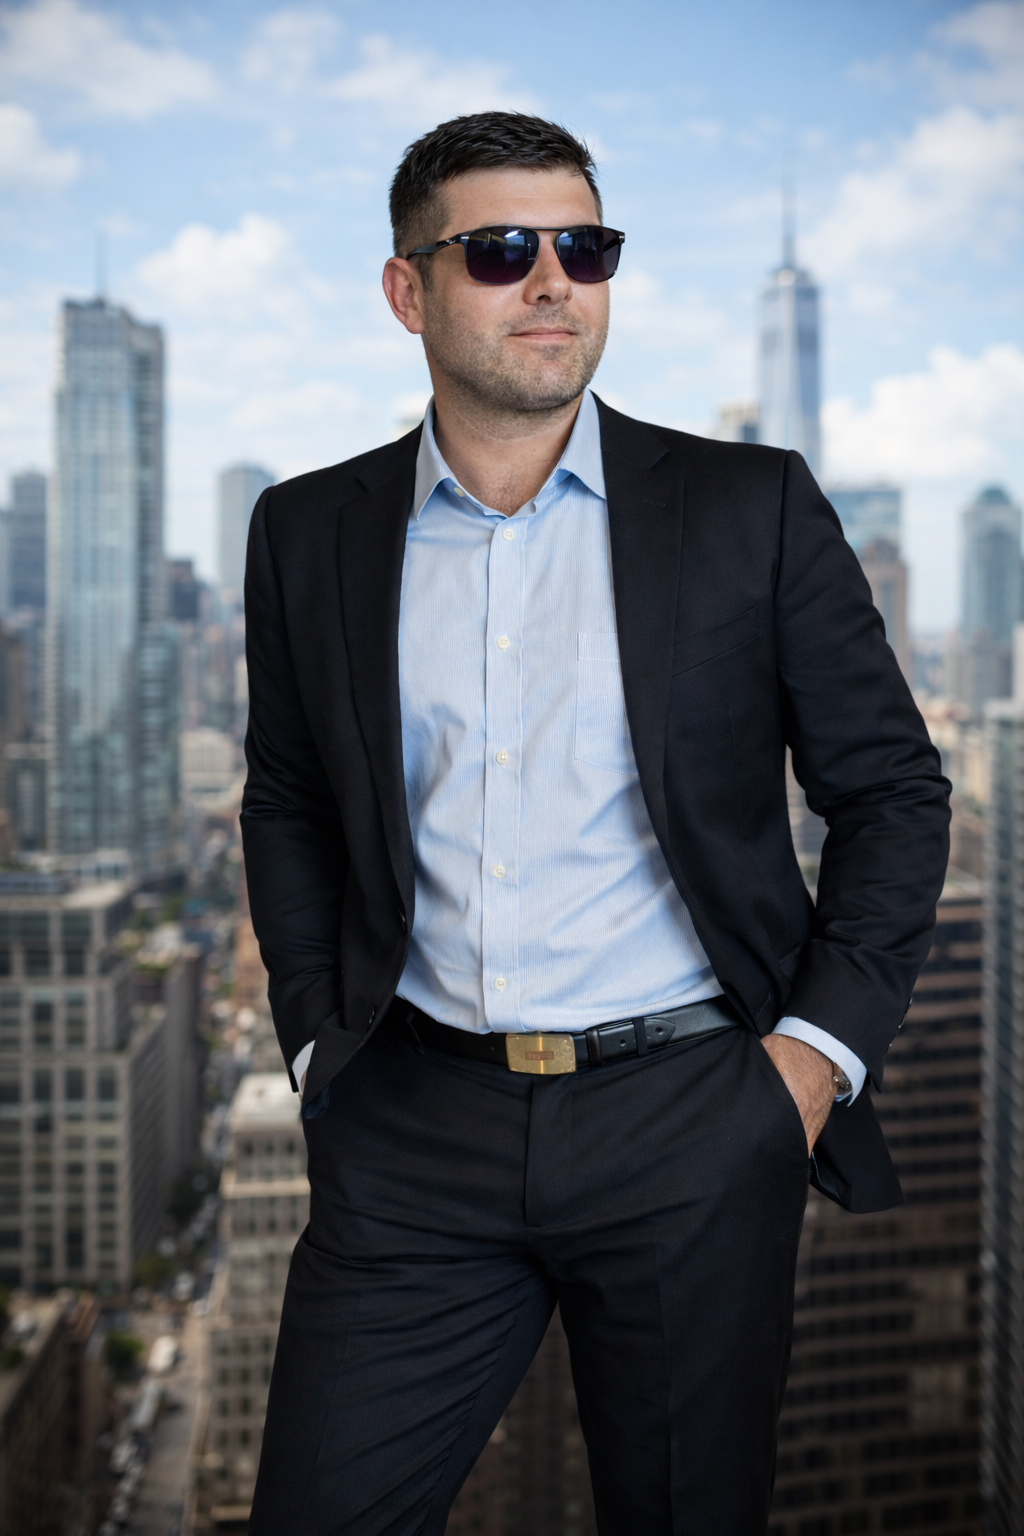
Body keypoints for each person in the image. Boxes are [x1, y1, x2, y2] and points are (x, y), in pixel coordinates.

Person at [242, 111, 950, 1535]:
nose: (553, 279)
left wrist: (803, 1070)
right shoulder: (306, 531)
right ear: (408, 291)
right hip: (413, 1132)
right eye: (500, 251)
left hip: (690, 1121)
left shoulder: (751, 508)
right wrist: (322, 1046)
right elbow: (291, 797)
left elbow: (891, 791)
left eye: (586, 246)